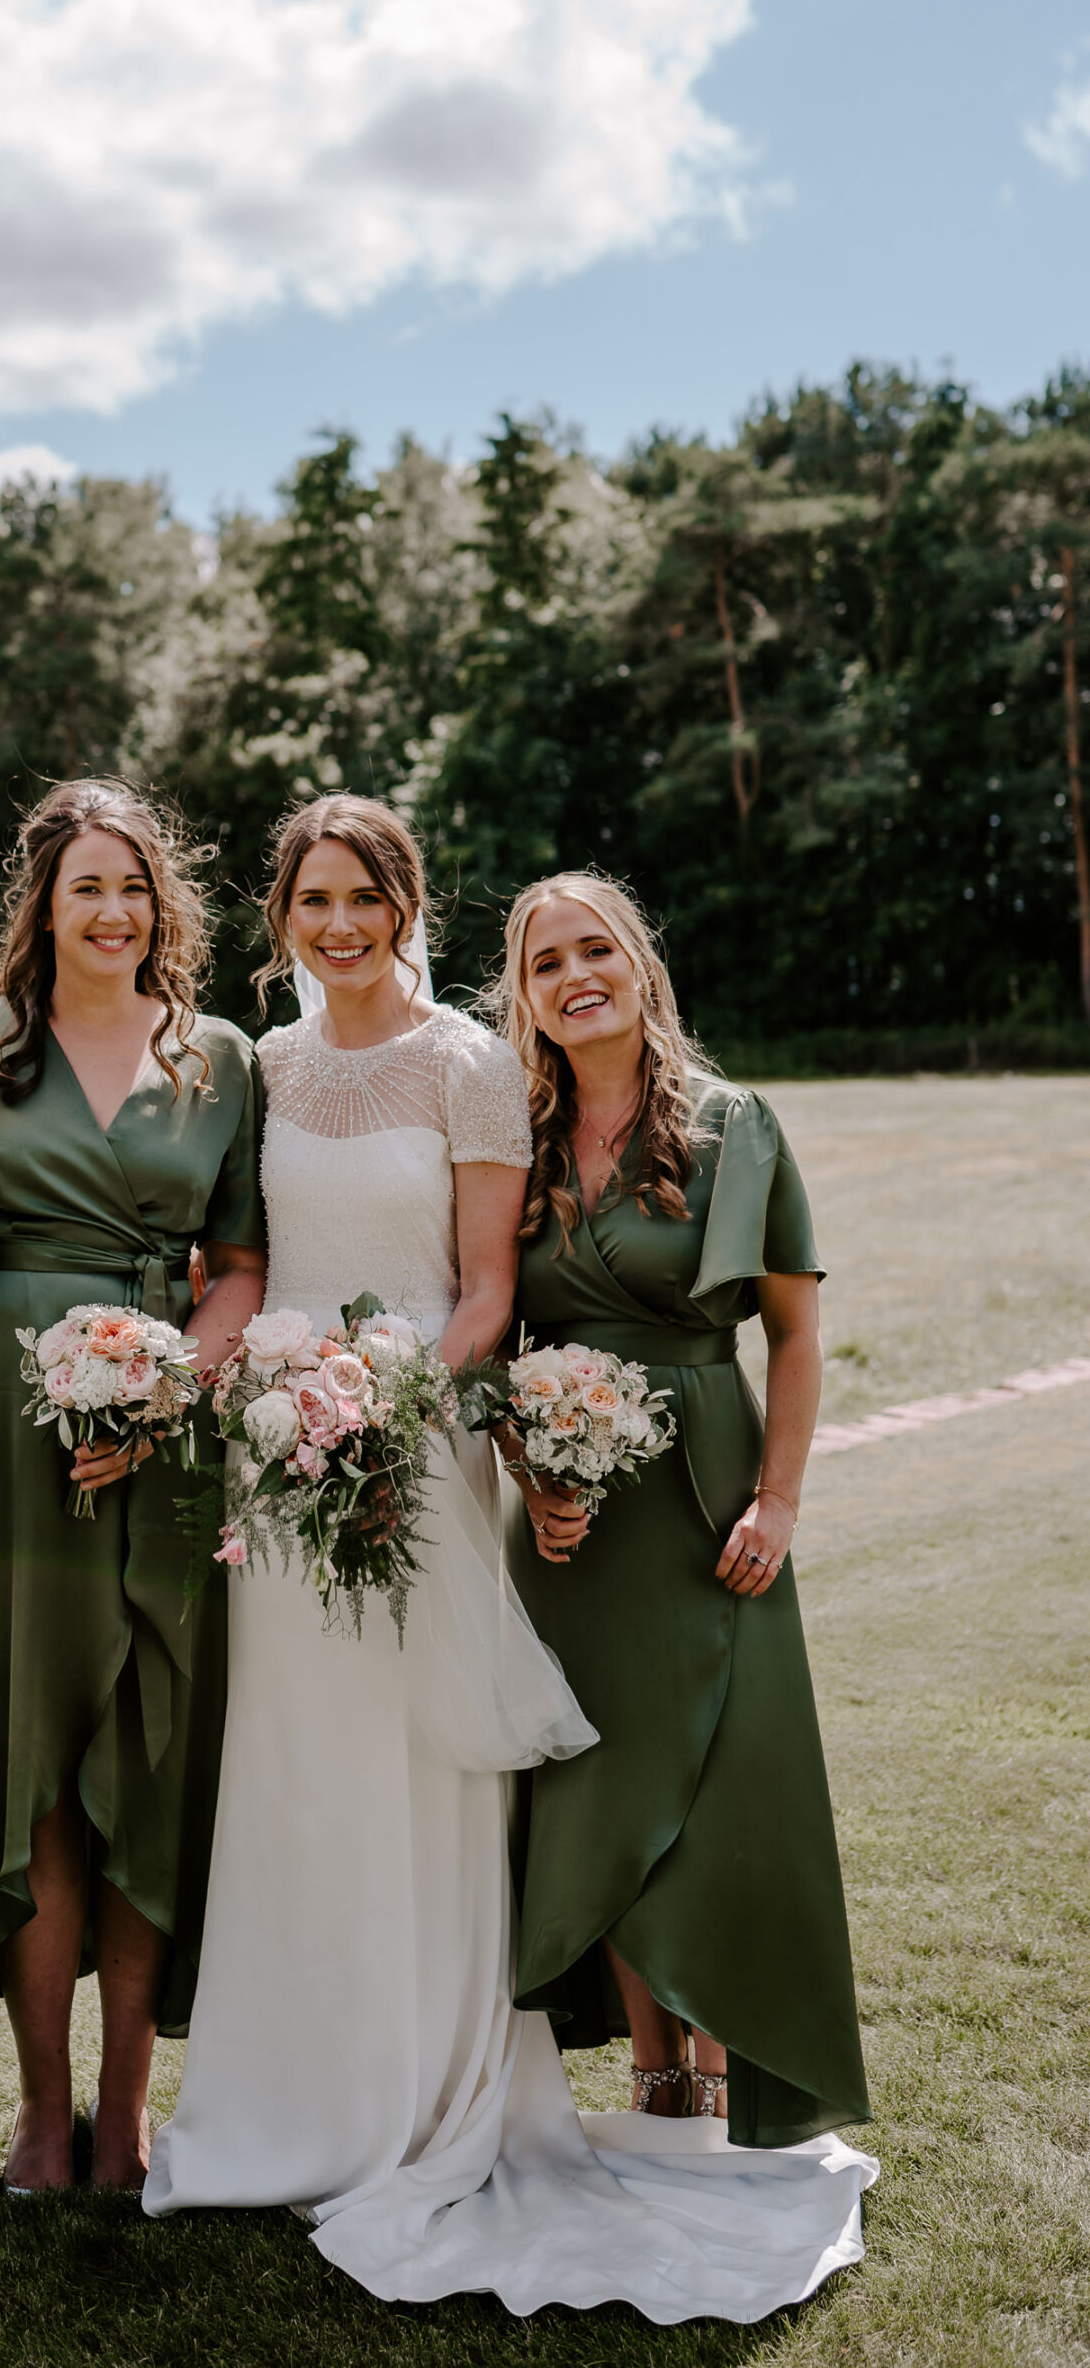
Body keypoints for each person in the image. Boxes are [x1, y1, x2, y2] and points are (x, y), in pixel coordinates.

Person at [145, 802, 876, 2324]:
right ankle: (291, 2099)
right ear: (283, 917)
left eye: (368, 897)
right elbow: (251, 1265)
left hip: (426, 1441)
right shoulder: (266, 1066)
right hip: (290, 1456)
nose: (340, 924)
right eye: (314, 901)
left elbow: (487, 1290)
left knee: (440, 1777)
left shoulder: (478, 1070)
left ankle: (463, 2082)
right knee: (298, 1774)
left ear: (407, 905)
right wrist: (263, 1395)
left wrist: (389, 1400)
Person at [495, 870, 873, 2153]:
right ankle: (655, 2070)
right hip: (572, 1526)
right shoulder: (521, 1140)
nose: (575, 976)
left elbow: (798, 1332)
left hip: (707, 1503)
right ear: (526, 995)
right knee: (596, 1784)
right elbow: (498, 1330)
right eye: (547, 964)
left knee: (717, 1787)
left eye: (594, 949)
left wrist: (777, 1498)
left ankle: (727, 2059)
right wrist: (528, 1469)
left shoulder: (735, 1127)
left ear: (639, 963)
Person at [0, 779, 266, 2195]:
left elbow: (241, 1263)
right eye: (85, 889)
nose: (113, 910)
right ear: (43, 908)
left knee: (152, 1747)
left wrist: (167, 1385)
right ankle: (39, 2109)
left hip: (172, 1431)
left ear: (162, 901)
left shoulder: (223, 1059)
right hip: (6, 1439)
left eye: (134, 886)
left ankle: (129, 2105)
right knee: (34, 1759)